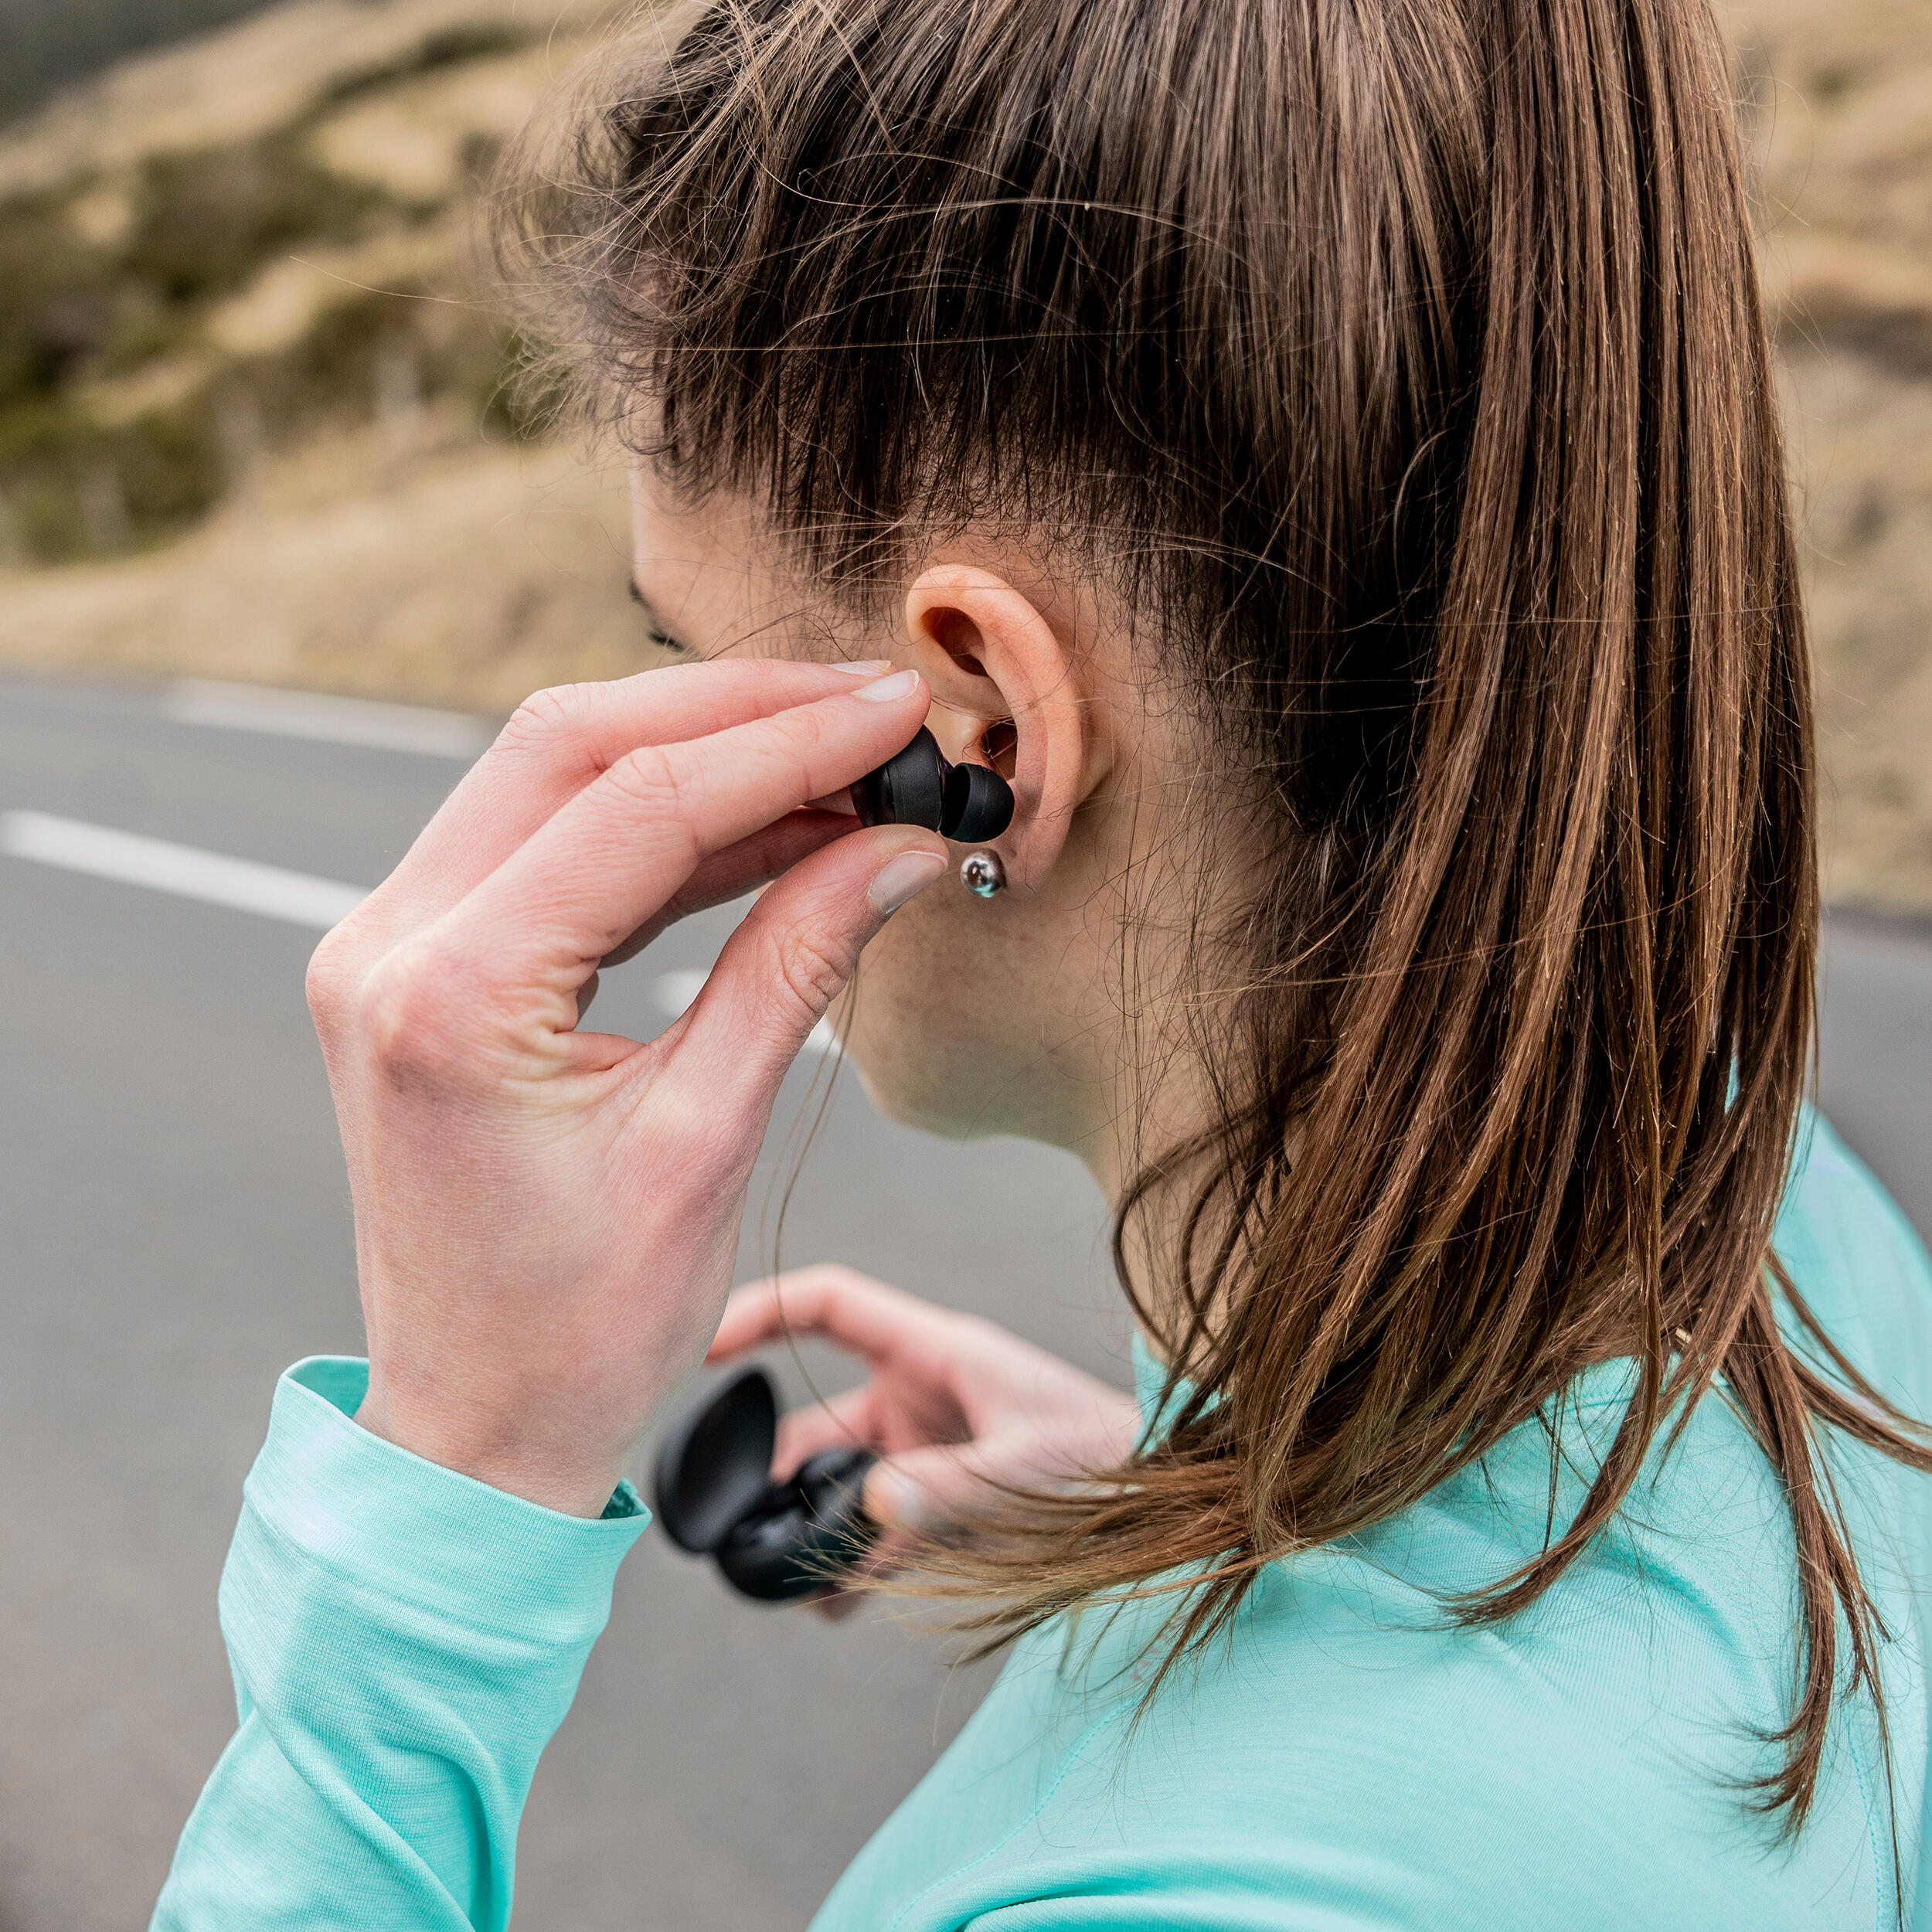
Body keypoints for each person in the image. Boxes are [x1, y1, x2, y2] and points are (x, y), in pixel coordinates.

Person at [151, 0, 1932, 1925]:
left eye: (682, 656)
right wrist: (1204, 1500)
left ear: (978, 725)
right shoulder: (1749, 1186)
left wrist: (443, 1495)